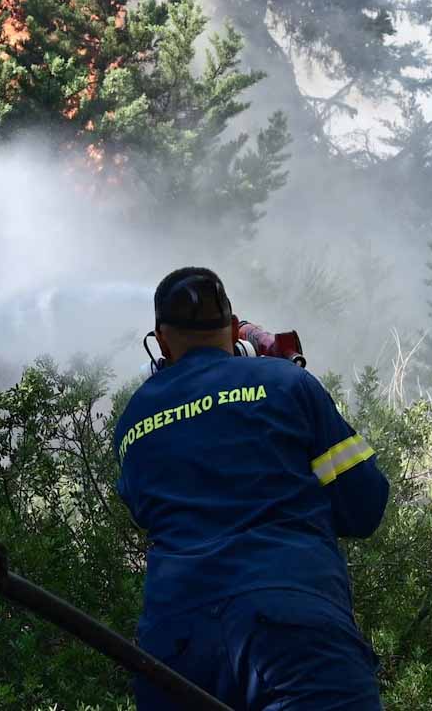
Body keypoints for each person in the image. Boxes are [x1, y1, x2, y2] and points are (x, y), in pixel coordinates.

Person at [115, 267, 391, 711]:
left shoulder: (132, 421)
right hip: (292, 631)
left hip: (174, 651)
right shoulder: (287, 383)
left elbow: (144, 512)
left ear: (161, 341)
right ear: (232, 328)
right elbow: (365, 504)